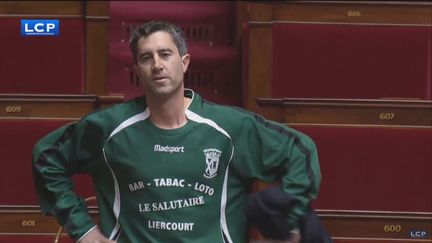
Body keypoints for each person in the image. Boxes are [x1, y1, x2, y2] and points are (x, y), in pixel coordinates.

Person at [32, 20, 326, 243]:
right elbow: (47, 157)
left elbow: (300, 151)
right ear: (137, 69)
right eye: (146, 58)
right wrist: (84, 231)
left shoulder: (230, 127)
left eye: (165, 54)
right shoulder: (109, 128)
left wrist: (291, 216)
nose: (157, 65)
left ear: (184, 63)